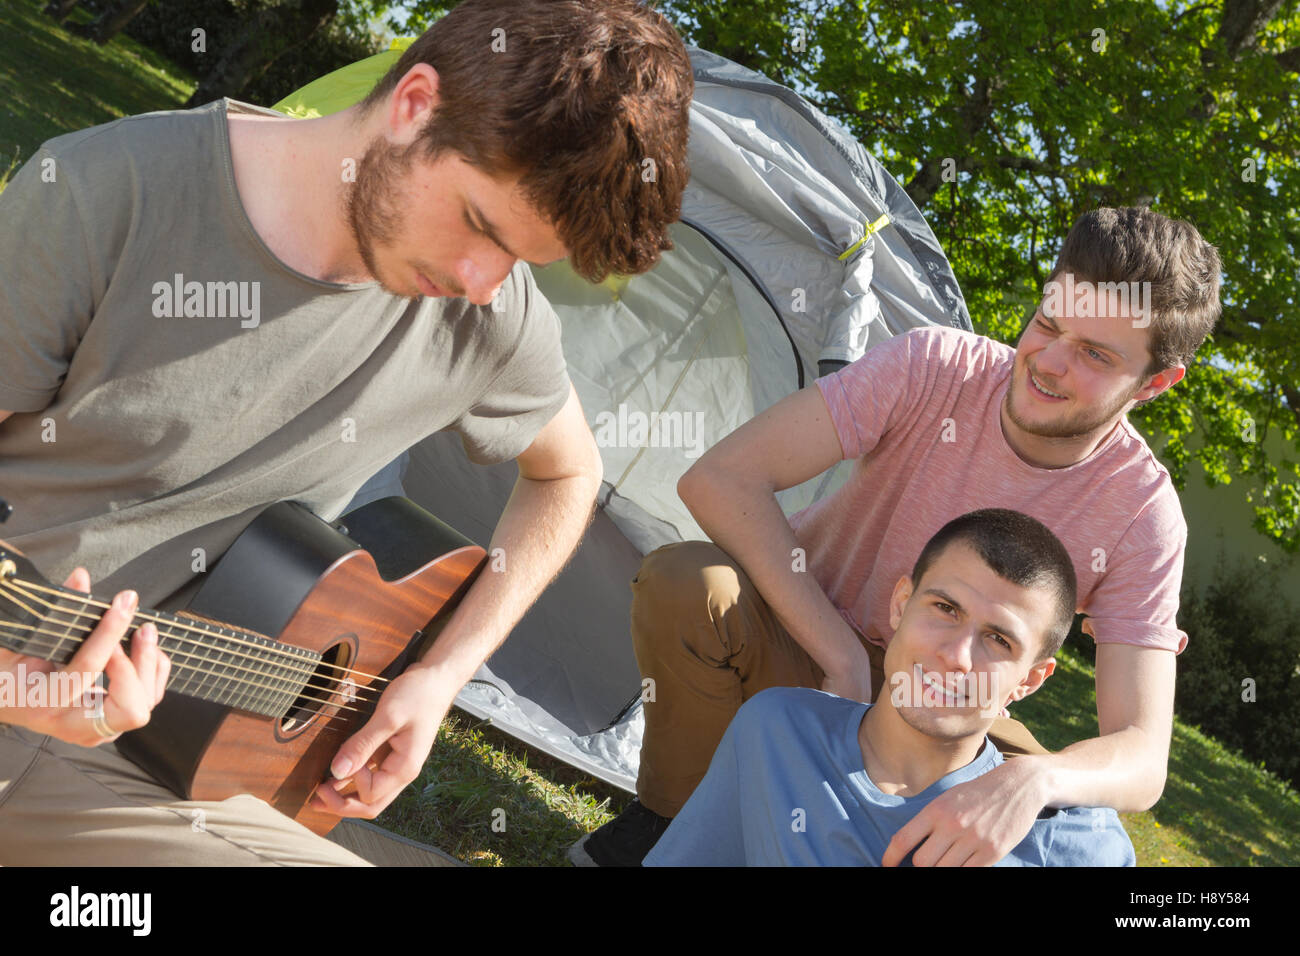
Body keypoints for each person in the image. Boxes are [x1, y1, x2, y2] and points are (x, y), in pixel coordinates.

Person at [0, 0, 693, 865]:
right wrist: (15, 690)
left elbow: (569, 476)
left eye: (523, 261)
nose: (483, 284)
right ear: (413, 105)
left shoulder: (484, 314)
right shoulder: (111, 190)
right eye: (481, 226)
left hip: (216, 756)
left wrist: (438, 678)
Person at [573, 206, 1220, 866]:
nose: (1048, 363)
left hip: (959, 696)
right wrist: (842, 657)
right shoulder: (936, 364)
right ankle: (671, 819)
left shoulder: (1144, 513)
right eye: (1048, 324)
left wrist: (1036, 778)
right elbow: (720, 479)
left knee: (1082, 839)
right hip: (808, 636)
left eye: (1094, 354)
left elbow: (1142, 755)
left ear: (1155, 383)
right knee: (689, 584)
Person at [644, 509, 1135, 867]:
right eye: (945, 609)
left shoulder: (1072, 840)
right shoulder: (776, 731)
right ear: (901, 604)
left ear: (1028, 680)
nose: (956, 656)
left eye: (998, 640)